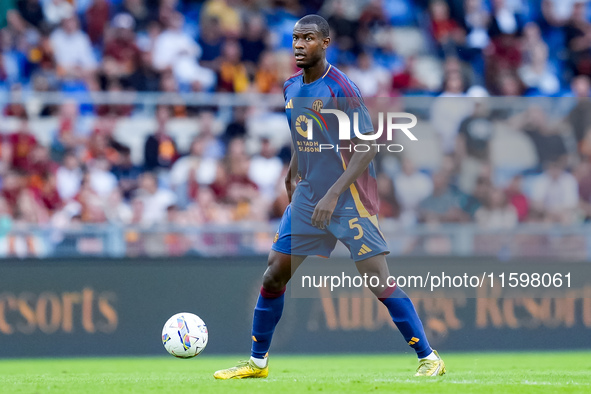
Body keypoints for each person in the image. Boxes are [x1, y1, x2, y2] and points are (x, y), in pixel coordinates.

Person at [213, 15, 445, 380]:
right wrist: (293, 170)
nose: (298, 45)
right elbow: (306, 135)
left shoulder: (341, 89)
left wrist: (334, 194)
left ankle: (429, 356)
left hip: (348, 195)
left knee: (376, 278)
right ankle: (257, 363)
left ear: (325, 43)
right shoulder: (290, 87)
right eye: (294, 38)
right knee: (274, 273)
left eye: (307, 38)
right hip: (309, 195)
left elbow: (368, 146)